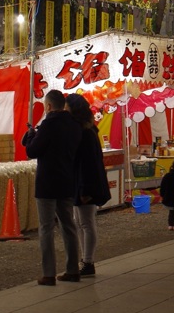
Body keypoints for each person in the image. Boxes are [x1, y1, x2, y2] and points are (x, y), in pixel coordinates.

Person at [22, 89, 83, 286]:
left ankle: (49, 273)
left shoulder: (48, 125)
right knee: (69, 226)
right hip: (67, 181)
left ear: (48, 106)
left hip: (47, 183)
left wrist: (31, 136)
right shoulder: (75, 125)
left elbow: (32, 151)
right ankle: (73, 269)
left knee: (46, 228)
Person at [65, 94, 111, 277]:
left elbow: (88, 163)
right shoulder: (87, 130)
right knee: (81, 222)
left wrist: (85, 188)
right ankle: (85, 260)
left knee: (86, 222)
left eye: (67, 107)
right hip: (81, 181)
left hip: (85, 183)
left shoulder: (85, 133)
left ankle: (88, 261)